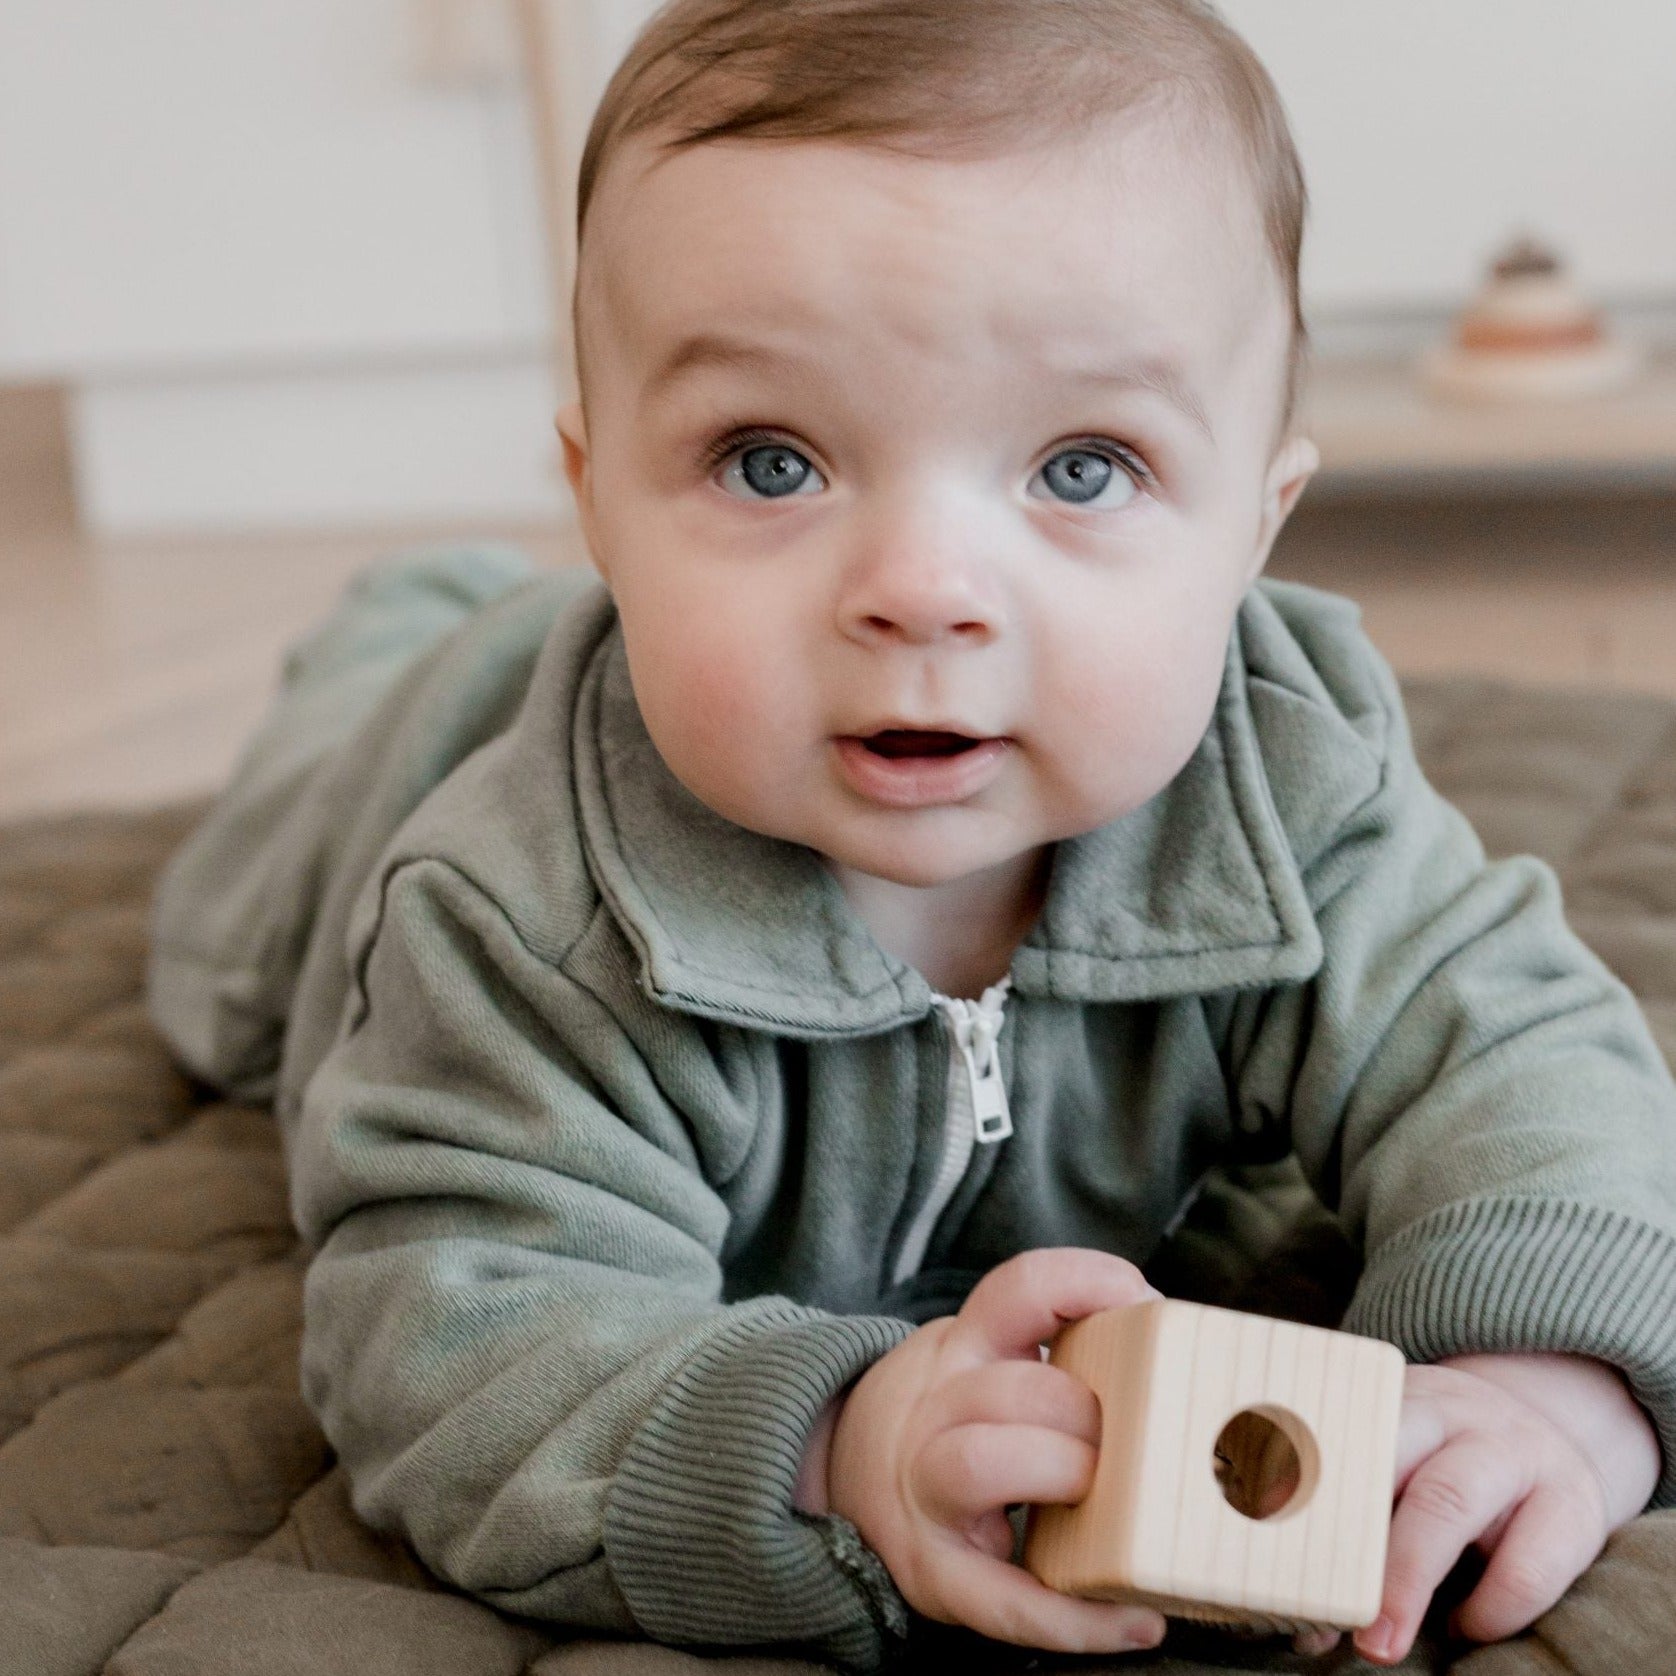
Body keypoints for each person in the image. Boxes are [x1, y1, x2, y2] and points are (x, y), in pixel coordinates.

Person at [147, 1, 1676, 1670]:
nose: (924, 591)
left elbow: (1522, 1055)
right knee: (231, 965)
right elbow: (450, 1335)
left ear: (1256, 524)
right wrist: (835, 1445)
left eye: (1083, 469)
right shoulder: (511, 914)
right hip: (410, 761)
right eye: (772, 459)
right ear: (594, 495)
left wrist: (1557, 1384)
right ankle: (414, 625)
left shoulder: (1293, 779)